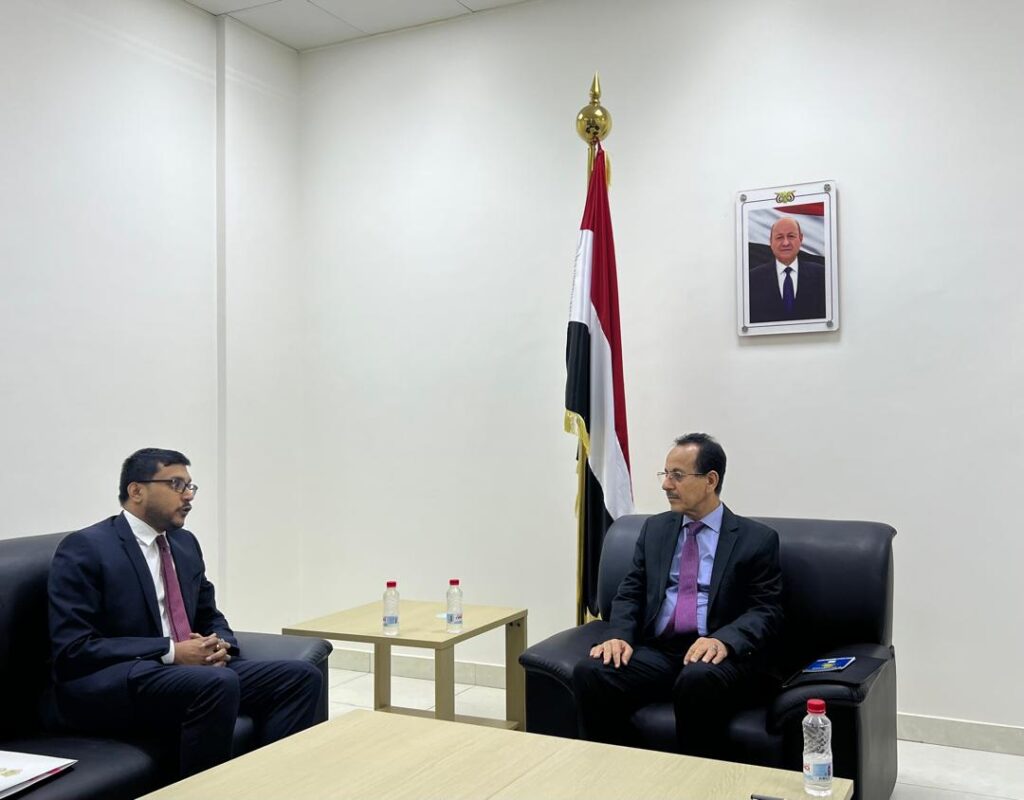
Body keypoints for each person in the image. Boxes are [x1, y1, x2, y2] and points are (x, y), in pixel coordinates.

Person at [48, 447, 322, 778]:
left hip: (187, 676)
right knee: (217, 682)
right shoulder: (87, 547)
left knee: (300, 677)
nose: (188, 495)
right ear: (137, 490)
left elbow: (209, 613)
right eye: (176, 484)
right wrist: (172, 652)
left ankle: (270, 783)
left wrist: (220, 642)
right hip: (116, 680)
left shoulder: (184, 543)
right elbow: (74, 647)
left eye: (190, 486)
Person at [572, 433, 783, 758]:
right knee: (592, 671)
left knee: (697, 679)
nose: (666, 484)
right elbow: (631, 591)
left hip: (715, 655)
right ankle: (618, 770)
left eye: (678, 476)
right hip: (660, 651)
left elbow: (765, 610)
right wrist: (618, 635)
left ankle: (694, 780)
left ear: (711, 480)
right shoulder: (655, 530)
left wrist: (724, 640)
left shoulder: (756, 540)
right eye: (666, 474)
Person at [748, 216, 826, 323]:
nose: (785, 243)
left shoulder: (822, 275)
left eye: (791, 236)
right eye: (779, 237)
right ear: (770, 241)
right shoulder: (752, 279)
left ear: (801, 239)